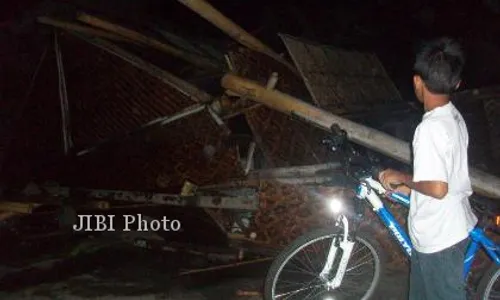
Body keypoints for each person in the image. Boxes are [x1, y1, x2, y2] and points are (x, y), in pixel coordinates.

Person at [378, 37, 478, 300]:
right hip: (447, 226)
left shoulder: (430, 128)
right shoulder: (453, 115)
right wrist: (409, 188)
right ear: (456, 84)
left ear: (417, 82)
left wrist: (402, 178)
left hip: (440, 238)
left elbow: (437, 187)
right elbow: (445, 176)